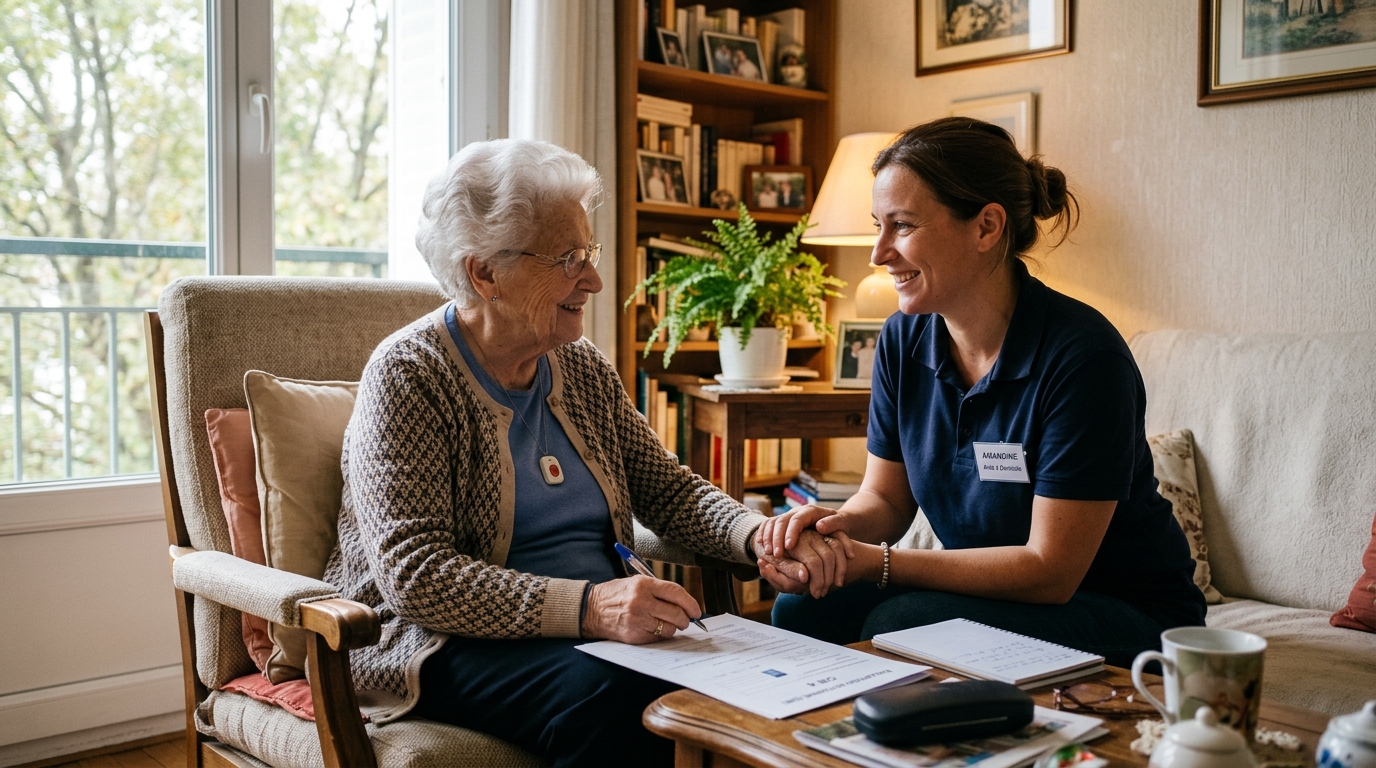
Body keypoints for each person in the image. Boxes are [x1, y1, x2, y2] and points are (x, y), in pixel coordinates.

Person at [324, 138, 847, 768]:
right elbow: (416, 575)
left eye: (588, 253)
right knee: (621, 698)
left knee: (773, 679)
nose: (594, 280)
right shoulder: (409, 374)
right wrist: (589, 607)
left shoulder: (578, 366)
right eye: (568, 259)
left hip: (598, 630)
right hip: (436, 642)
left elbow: (668, 489)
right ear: (483, 273)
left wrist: (758, 535)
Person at [754, 117, 1207, 667]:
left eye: (902, 226)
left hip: (1123, 611)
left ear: (987, 227)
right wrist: (828, 533)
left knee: (901, 624)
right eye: (878, 225)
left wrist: (876, 563)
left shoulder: (1085, 358)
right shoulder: (901, 339)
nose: (877, 253)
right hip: (996, 595)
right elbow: (887, 501)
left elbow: (1050, 571)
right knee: (803, 608)